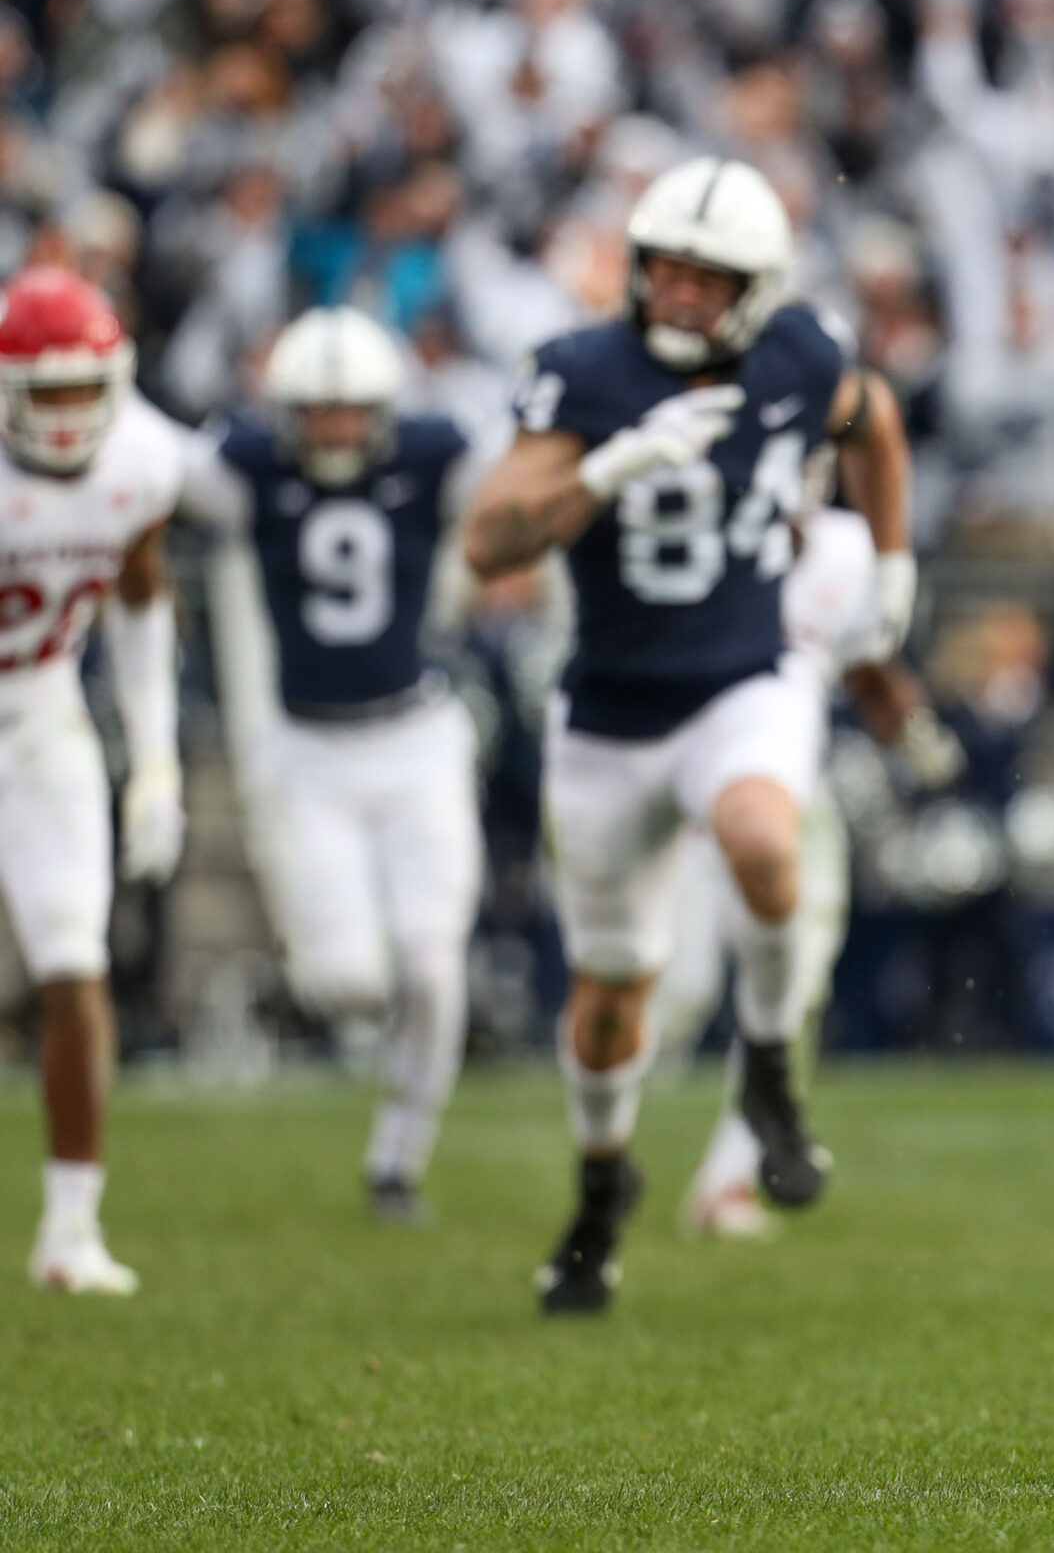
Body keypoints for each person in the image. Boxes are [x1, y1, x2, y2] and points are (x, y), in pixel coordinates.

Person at [461, 156, 914, 1315]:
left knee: (766, 839)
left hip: (741, 679)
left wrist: (895, 562)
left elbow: (875, 420)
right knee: (612, 995)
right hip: (609, 712)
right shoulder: (582, 374)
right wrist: (604, 471)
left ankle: (765, 1065)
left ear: (755, 289)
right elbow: (489, 543)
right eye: (663, 265)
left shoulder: (800, 352)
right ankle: (602, 1186)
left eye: (707, 277)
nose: (676, 291)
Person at [178, 308, 490, 1222]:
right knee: (348, 982)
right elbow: (151, 472)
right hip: (307, 750)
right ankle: (376, 1047)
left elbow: (525, 480)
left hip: (416, 737)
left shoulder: (436, 454)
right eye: (317, 411)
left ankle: (398, 1159)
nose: (336, 429)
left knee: (434, 963)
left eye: (352, 410)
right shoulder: (248, 466)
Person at [655, 493, 950, 1242]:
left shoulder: (846, 545)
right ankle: (604, 1155)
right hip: (684, 784)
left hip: (796, 792)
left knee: (795, 982)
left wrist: (913, 730)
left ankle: (730, 1178)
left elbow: (866, 663)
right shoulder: (693, 519)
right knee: (675, 994)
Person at [0, 268, 187, 1294]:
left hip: (38, 713)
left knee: (74, 961)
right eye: (48, 394)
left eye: (86, 391)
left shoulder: (146, 457)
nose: (70, 416)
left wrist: (154, 760)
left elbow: (142, 591)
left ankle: (72, 1227)